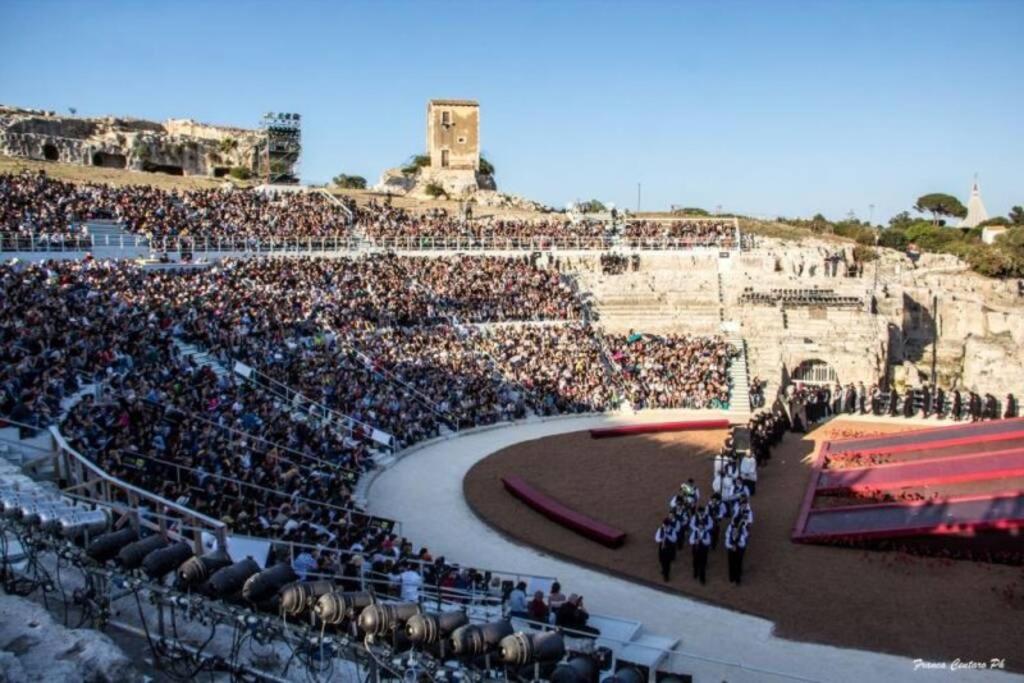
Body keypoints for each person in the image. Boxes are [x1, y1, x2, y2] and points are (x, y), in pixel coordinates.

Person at [689, 507, 712, 585]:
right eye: (699, 526)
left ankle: (702, 579)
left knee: (702, 563)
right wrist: (695, 541)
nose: (700, 527)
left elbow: (708, 541)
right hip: (695, 548)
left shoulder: (706, 533)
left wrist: (702, 540)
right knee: (695, 562)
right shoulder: (695, 532)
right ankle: (695, 573)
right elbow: (690, 540)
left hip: (703, 549)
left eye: (702, 526)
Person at [725, 517, 749, 585]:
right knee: (731, 564)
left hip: (739, 551)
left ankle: (738, 578)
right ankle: (731, 577)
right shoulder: (730, 531)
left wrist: (738, 544)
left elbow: (744, 541)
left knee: (738, 564)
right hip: (731, 551)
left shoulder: (741, 531)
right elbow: (726, 543)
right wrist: (732, 546)